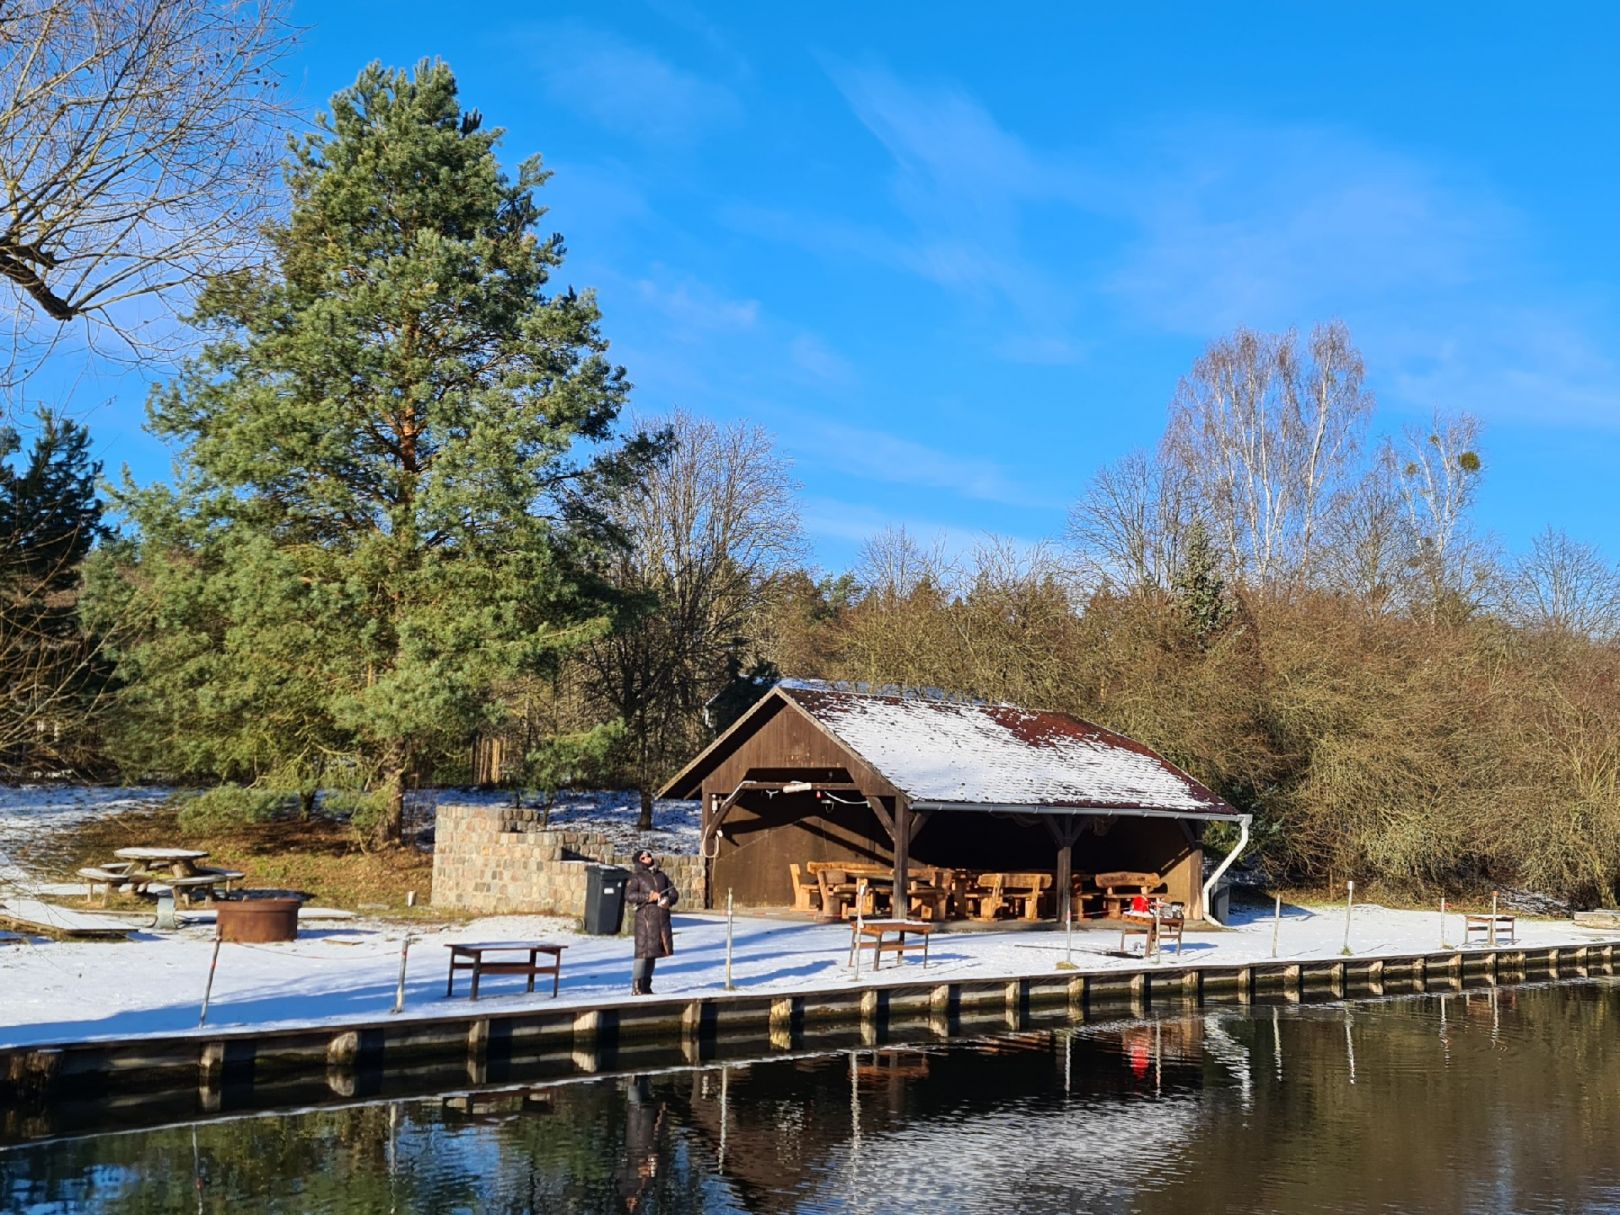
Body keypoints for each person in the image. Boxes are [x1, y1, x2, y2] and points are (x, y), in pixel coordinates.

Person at [626, 849, 678, 995]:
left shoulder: (662, 876)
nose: (648, 858)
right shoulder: (636, 877)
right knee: (642, 954)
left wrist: (668, 900)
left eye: (649, 855)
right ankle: (636, 987)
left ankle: (646, 986)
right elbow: (629, 895)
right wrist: (648, 896)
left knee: (653, 954)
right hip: (645, 921)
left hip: (661, 920)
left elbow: (674, 893)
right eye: (644, 857)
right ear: (639, 861)